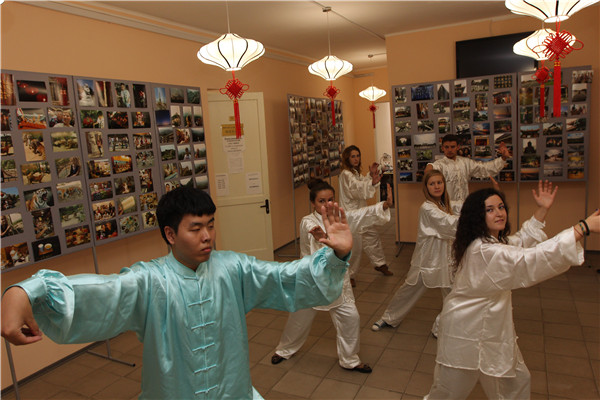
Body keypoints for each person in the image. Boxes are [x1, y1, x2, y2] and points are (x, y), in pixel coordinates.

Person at [1, 186, 353, 399]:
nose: (207, 236)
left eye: (211, 225)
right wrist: (25, 292)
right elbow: (100, 292)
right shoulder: (150, 281)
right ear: (170, 235)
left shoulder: (233, 268)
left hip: (231, 392)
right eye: (195, 228)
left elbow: (285, 278)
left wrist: (336, 255)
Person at [426, 182, 600, 399]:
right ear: (477, 216)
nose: (499, 213)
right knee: (449, 391)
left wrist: (542, 210)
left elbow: (518, 242)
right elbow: (529, 259)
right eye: (490, 210)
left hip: (490, 329)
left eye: (501, 207)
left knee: (516, 381)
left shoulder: (489, 243)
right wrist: (582, 228)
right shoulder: (484, 250)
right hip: (465, 331)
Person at [271, 179, 393, 373]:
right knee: (298, 318)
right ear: (313, 203)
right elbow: (314, 242)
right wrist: (322, 237)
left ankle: (350, 359)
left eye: (330, 199)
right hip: (311, 281)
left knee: (351, 318)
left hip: (337, 282)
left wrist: (384, 205)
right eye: (321, 201)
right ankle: (284, 350)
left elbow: (361, 214)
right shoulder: (308, 221)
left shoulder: (340, 217)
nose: (327, 204)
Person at [371, 170, 458, 336]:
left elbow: (461, 205)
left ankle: (441, 327)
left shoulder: (444, 204)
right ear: (426, 187)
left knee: (453, 292)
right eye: (432, 184)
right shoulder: (427, 208)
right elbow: (448, 223)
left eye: (439, 182)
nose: (437, 186)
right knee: (409, 289)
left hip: (445, 258)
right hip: (427, 259)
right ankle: (389, 317)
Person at [339, 145, 392, 285]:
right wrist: (372, 182)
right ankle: (349, 275)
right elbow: (356, 188)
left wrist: (371, 174)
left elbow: (361, 182)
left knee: (372, 235)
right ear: (347, 158)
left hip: (361, 212)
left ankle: (380, 263)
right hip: (352, 215)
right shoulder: (345, 174)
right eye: (353, 156)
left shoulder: (355, 173)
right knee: (355, 246)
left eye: (358, 156)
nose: (356, 159)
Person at [424, 134, 510, 203]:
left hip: (464, 206)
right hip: (446, 207)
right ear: (442, 148)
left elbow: (484, 168)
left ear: (458, 147)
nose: (449, 150)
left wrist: (503, 158)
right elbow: (430, 169)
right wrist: (429, 169)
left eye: (452, 147)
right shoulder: (440, 164)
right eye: (446, 147)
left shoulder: (465, 163)